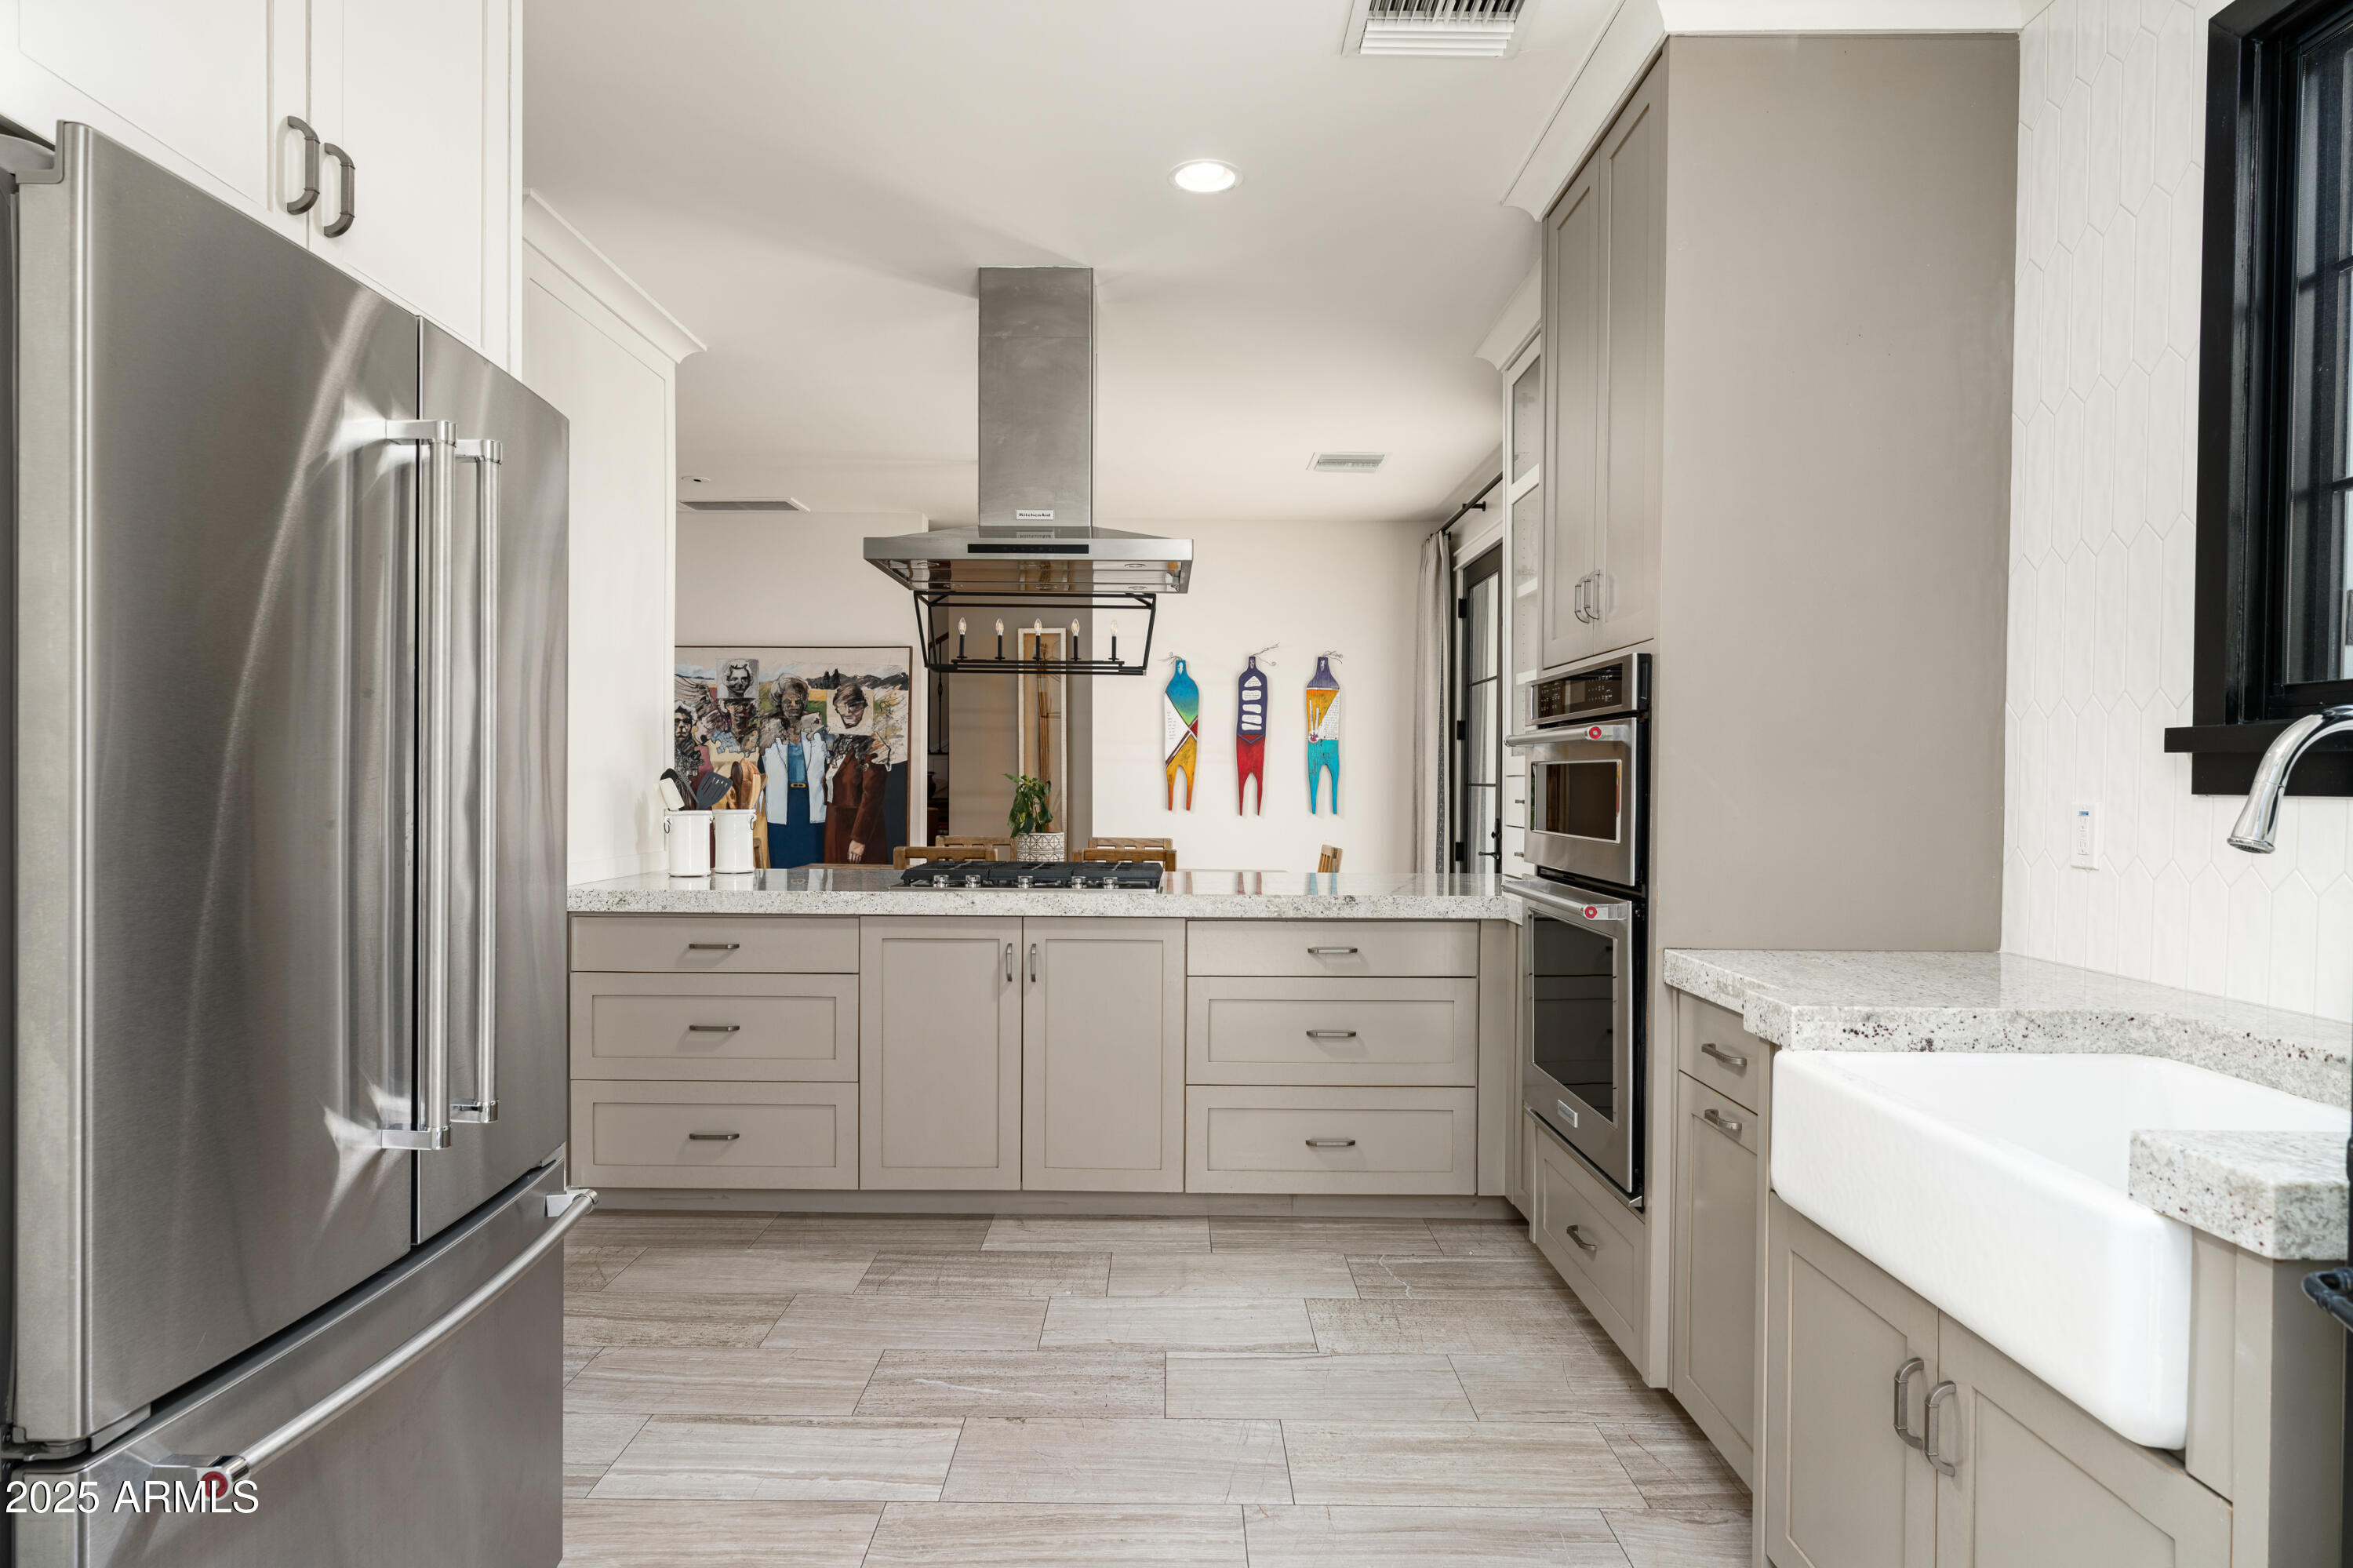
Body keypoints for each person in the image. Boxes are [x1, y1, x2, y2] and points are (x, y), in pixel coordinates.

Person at [762, 680, 827, 868]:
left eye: (798, 702)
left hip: (809, 800)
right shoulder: (769, 733)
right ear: (780, 703)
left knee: (811, 858)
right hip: (782, 801)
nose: (793, 707)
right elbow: (761, 769)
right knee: (782, 859)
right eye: (787, 702)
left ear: (804, 704)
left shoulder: (816, 733)